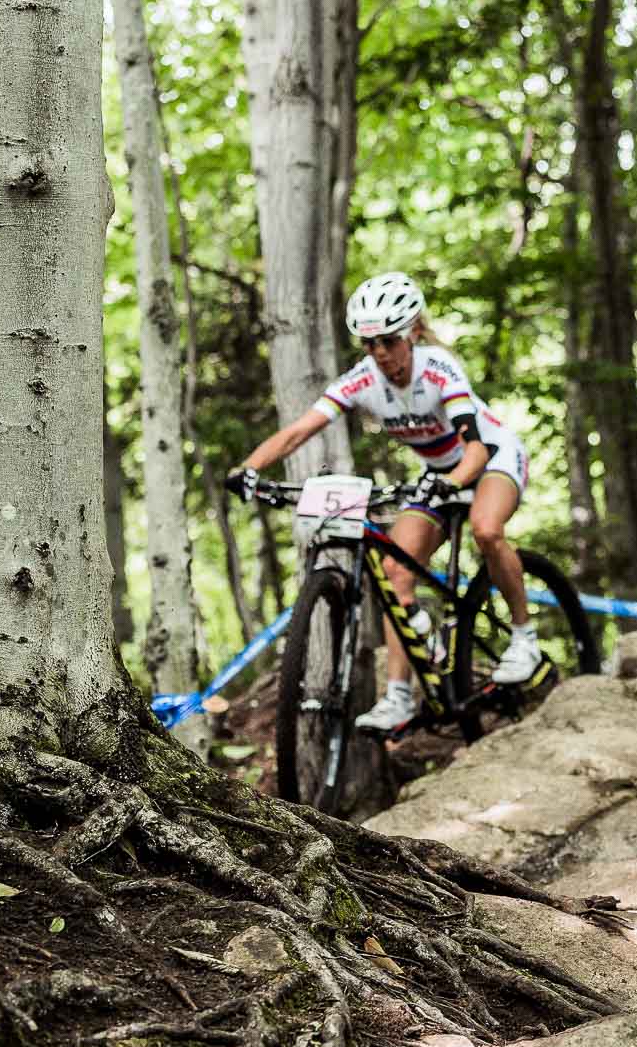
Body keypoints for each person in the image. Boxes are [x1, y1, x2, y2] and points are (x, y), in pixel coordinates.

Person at [225, 272, 540, 733]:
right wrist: (248, 470)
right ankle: (399, 695)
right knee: (395, 576)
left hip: (490, 458)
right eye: (368, 344)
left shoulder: (437, 369)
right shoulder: (363, 380)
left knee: (487, 529)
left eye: (388, 341)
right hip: (439, 474)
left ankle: (523, 638)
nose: (379, 353)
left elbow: (475, 449)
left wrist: (450, 481)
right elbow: (299, 430)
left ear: (412, 332)